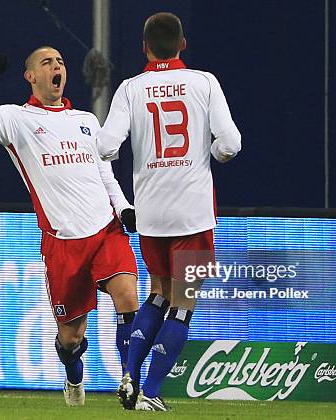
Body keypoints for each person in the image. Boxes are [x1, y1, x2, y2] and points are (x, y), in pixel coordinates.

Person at [0, 46, 139, 407]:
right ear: (31, 76)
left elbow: (104, 173)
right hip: (63, 243)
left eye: (60, 62)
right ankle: (74, 376)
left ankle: (129, 381)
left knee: (128, 294)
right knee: (72, 338)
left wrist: (123, 208)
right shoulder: (17, 119)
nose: (56, 67)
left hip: (106, 231)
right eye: (47, 63)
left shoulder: (88, 120)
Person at [96, 12, 242, 411]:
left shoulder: (130, 89)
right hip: (192, 211)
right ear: (183, 44)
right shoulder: (204, 82)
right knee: (183, 303)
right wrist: (207, 155)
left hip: (151, 214)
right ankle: (153, 392)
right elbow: (230, 143)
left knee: (157, 293)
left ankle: (130, 374)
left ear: (144, 48)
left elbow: (107, 147)